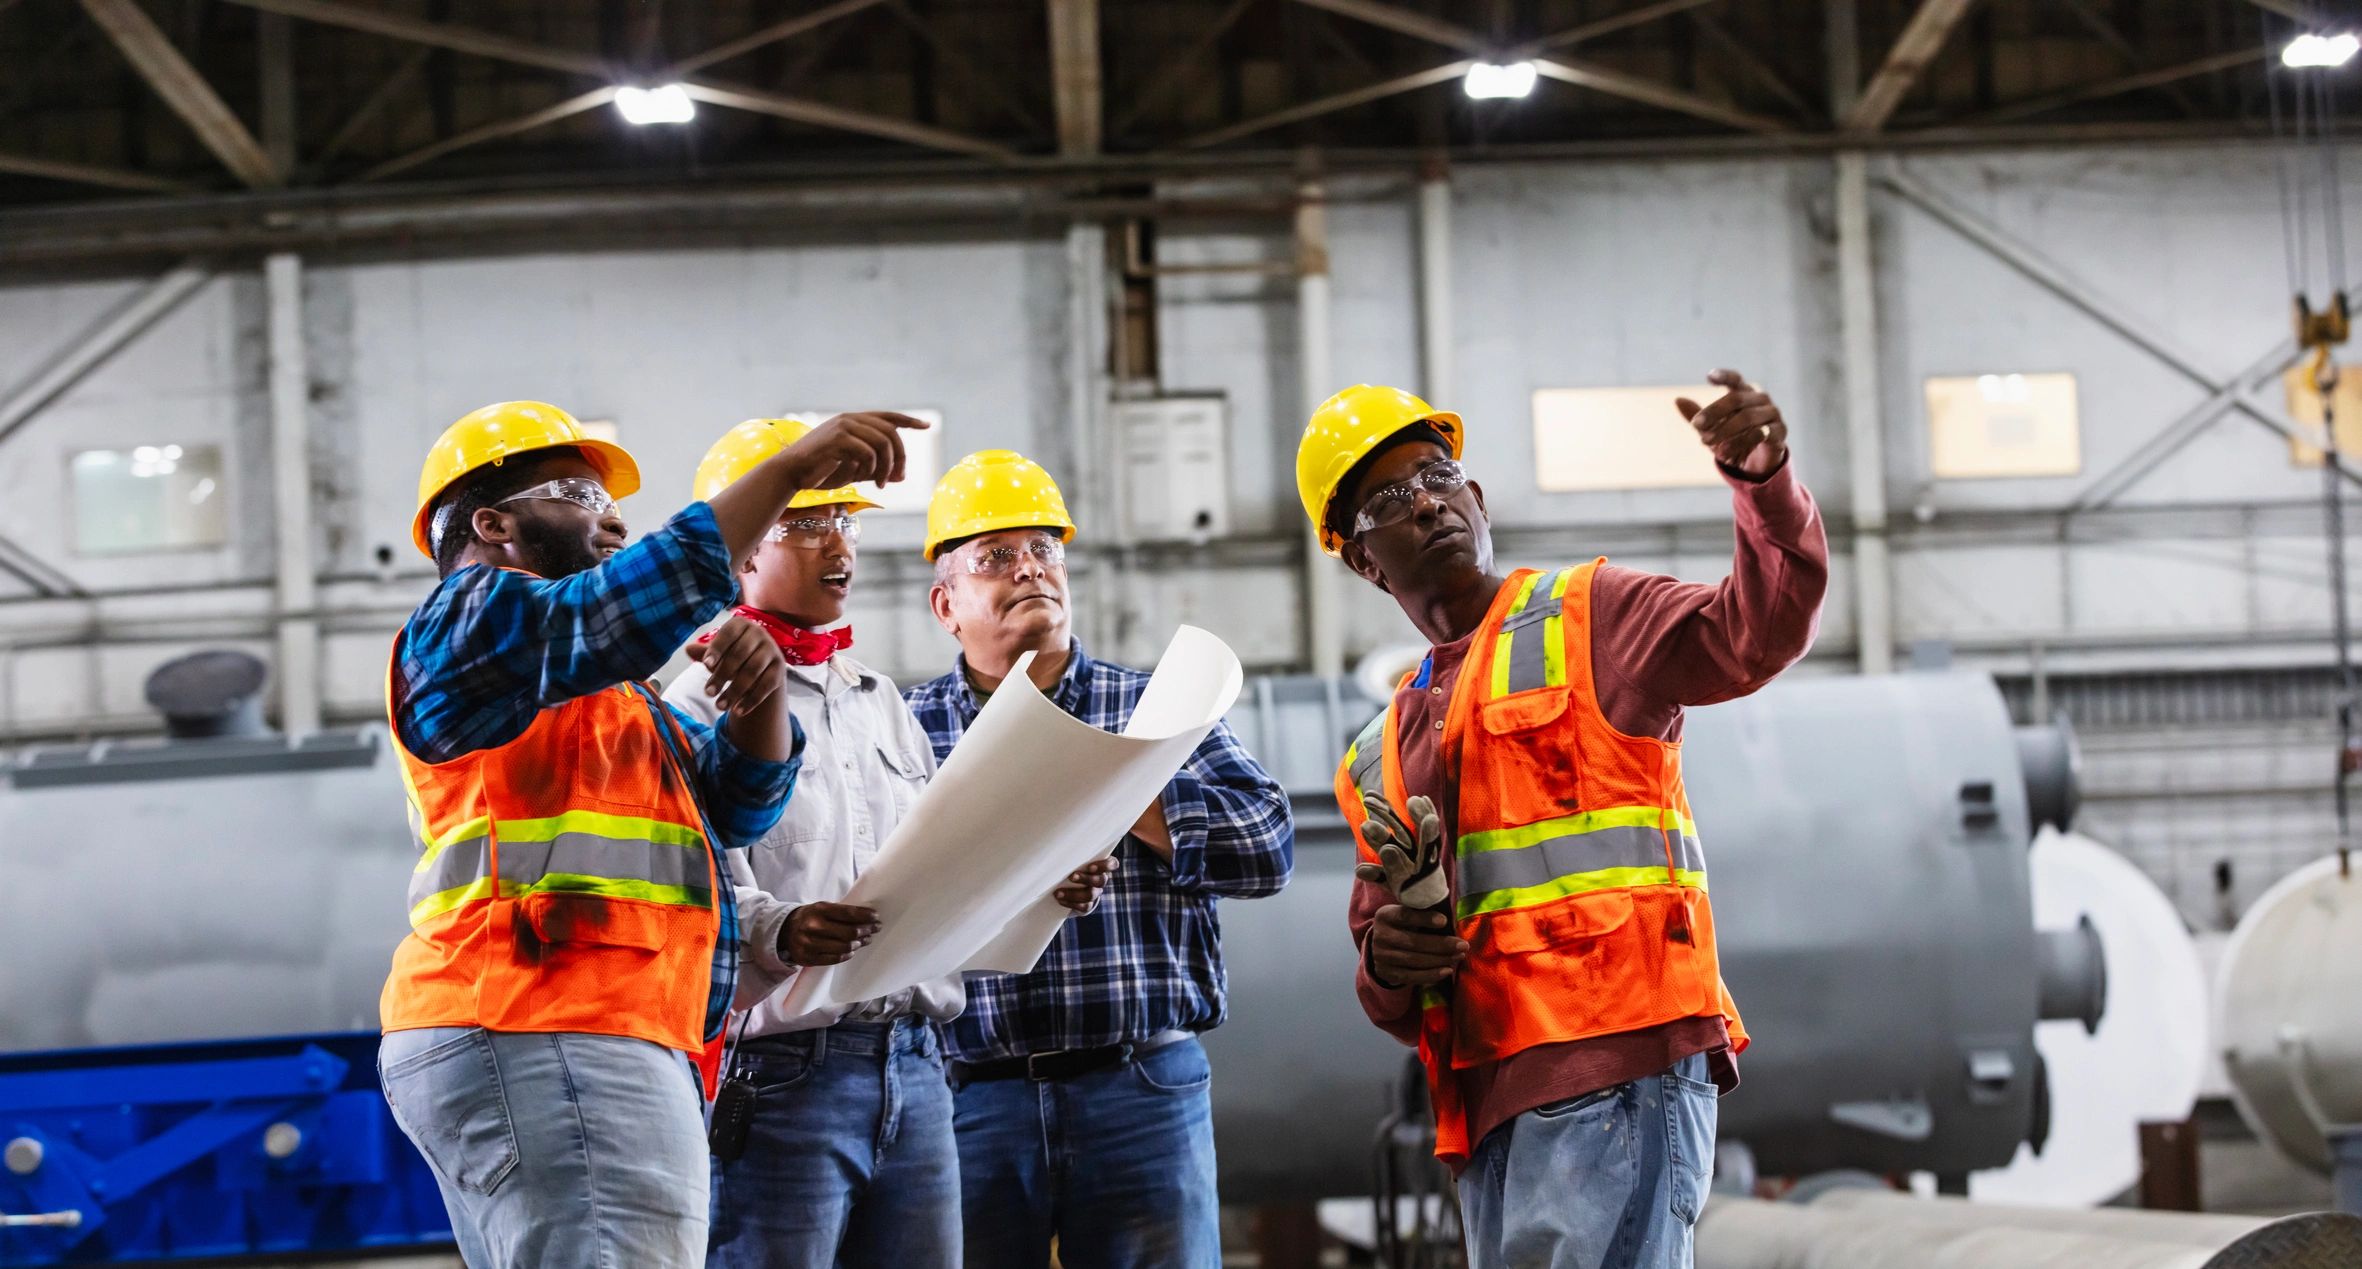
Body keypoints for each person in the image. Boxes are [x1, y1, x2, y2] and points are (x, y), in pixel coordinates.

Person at [378, 400, 926, 1268]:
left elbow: (739, 805)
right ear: (492, 523)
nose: (613, 518)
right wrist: (787, 471)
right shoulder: (465, 617)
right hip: (549, 1015)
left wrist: (761, 700)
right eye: (577, 494)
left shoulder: (616, 700)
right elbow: (604, 614)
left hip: (581, 1025)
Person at [1296, 375, 1827, 1269]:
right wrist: (1389, 959)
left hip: (1621, 1060)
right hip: (1488, 1106)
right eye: (1390, 499)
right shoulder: (1375, 754)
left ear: (1478, 497)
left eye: (1438, 475)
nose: (1426, 502)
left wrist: (1764, 482)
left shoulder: (1593, 616)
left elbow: (1759, 628)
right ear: (1361, 557)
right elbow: (1385, 978)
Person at [667, 421, 1113, 1268]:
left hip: (916, 1068)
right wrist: (780, 929)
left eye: (849, 524)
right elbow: (699, 889)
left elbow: (923, 895)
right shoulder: (697, 701)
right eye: (806, 523)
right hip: (785, 1077)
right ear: (741, 550)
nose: (839, 544)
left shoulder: (878, 701)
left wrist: (1034, 890)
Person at [902, 449, 1295, 1269]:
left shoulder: (1158, 707)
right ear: (947, 603)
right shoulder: (906, 732)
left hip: (1140, 1087)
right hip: (970, 1096)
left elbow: (1267, 845)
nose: (1030, 569)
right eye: (997, 557)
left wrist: (1114, 801)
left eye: (1045, 549)